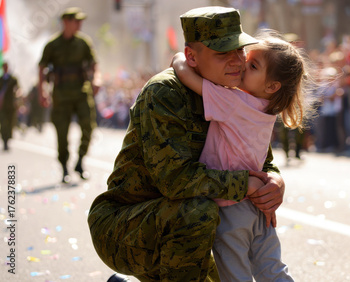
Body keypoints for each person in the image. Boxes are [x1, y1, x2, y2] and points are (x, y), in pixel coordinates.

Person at [88, 7, 286, 281]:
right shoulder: (165, 92)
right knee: (197, 212)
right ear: (191, 56)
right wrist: (245, 184)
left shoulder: (237, 90)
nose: (237, 62)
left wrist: (274, 181)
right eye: (222, 53)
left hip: (180, 223)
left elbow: (259, 158)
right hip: (126, 225)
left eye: (240, 51)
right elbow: (175, 180)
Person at [172, 29, 311, 281]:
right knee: (273, 269)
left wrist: (178, 59)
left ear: (271, 86)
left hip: (231, 206)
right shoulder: (266, 110)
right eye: (247, 58)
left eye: (254, 65)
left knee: (236, 275)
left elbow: (185, 74)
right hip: (259, 205)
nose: (243, 65)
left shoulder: (233, 102)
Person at [38, 7, 98, 183]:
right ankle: (64, 166)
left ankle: (80, 161)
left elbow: (94, 64)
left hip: (81, 92)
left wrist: (96, 79)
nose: (80, 24)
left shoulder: (84, 42)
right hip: (61, 94)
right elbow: (41, 67)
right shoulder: (52, 44)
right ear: (66, 22)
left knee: (89, 125)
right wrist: (43, 90)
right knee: (62, 132)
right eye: (76, 21)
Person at [0, 62, 19, 151]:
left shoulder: (13, 79)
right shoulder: (0, 80)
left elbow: (18, 90)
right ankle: (5, 141)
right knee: (4, 123)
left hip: (11, 105)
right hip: (2, 106)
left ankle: (8, 138)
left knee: (11, 123)